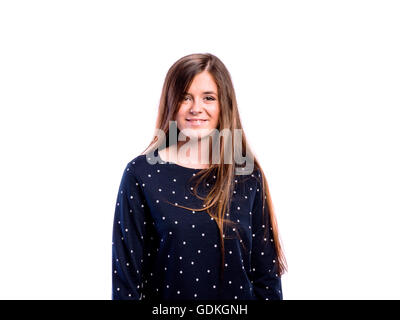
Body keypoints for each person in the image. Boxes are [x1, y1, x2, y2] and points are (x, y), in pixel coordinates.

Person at [111, 53, 288, 300]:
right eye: (186, 97)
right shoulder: (141, 174)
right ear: (171, 102)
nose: (197, 108)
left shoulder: (247, 174)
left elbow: (266, 279)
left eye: (208, 98)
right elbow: (126, 281)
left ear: (223, 104)